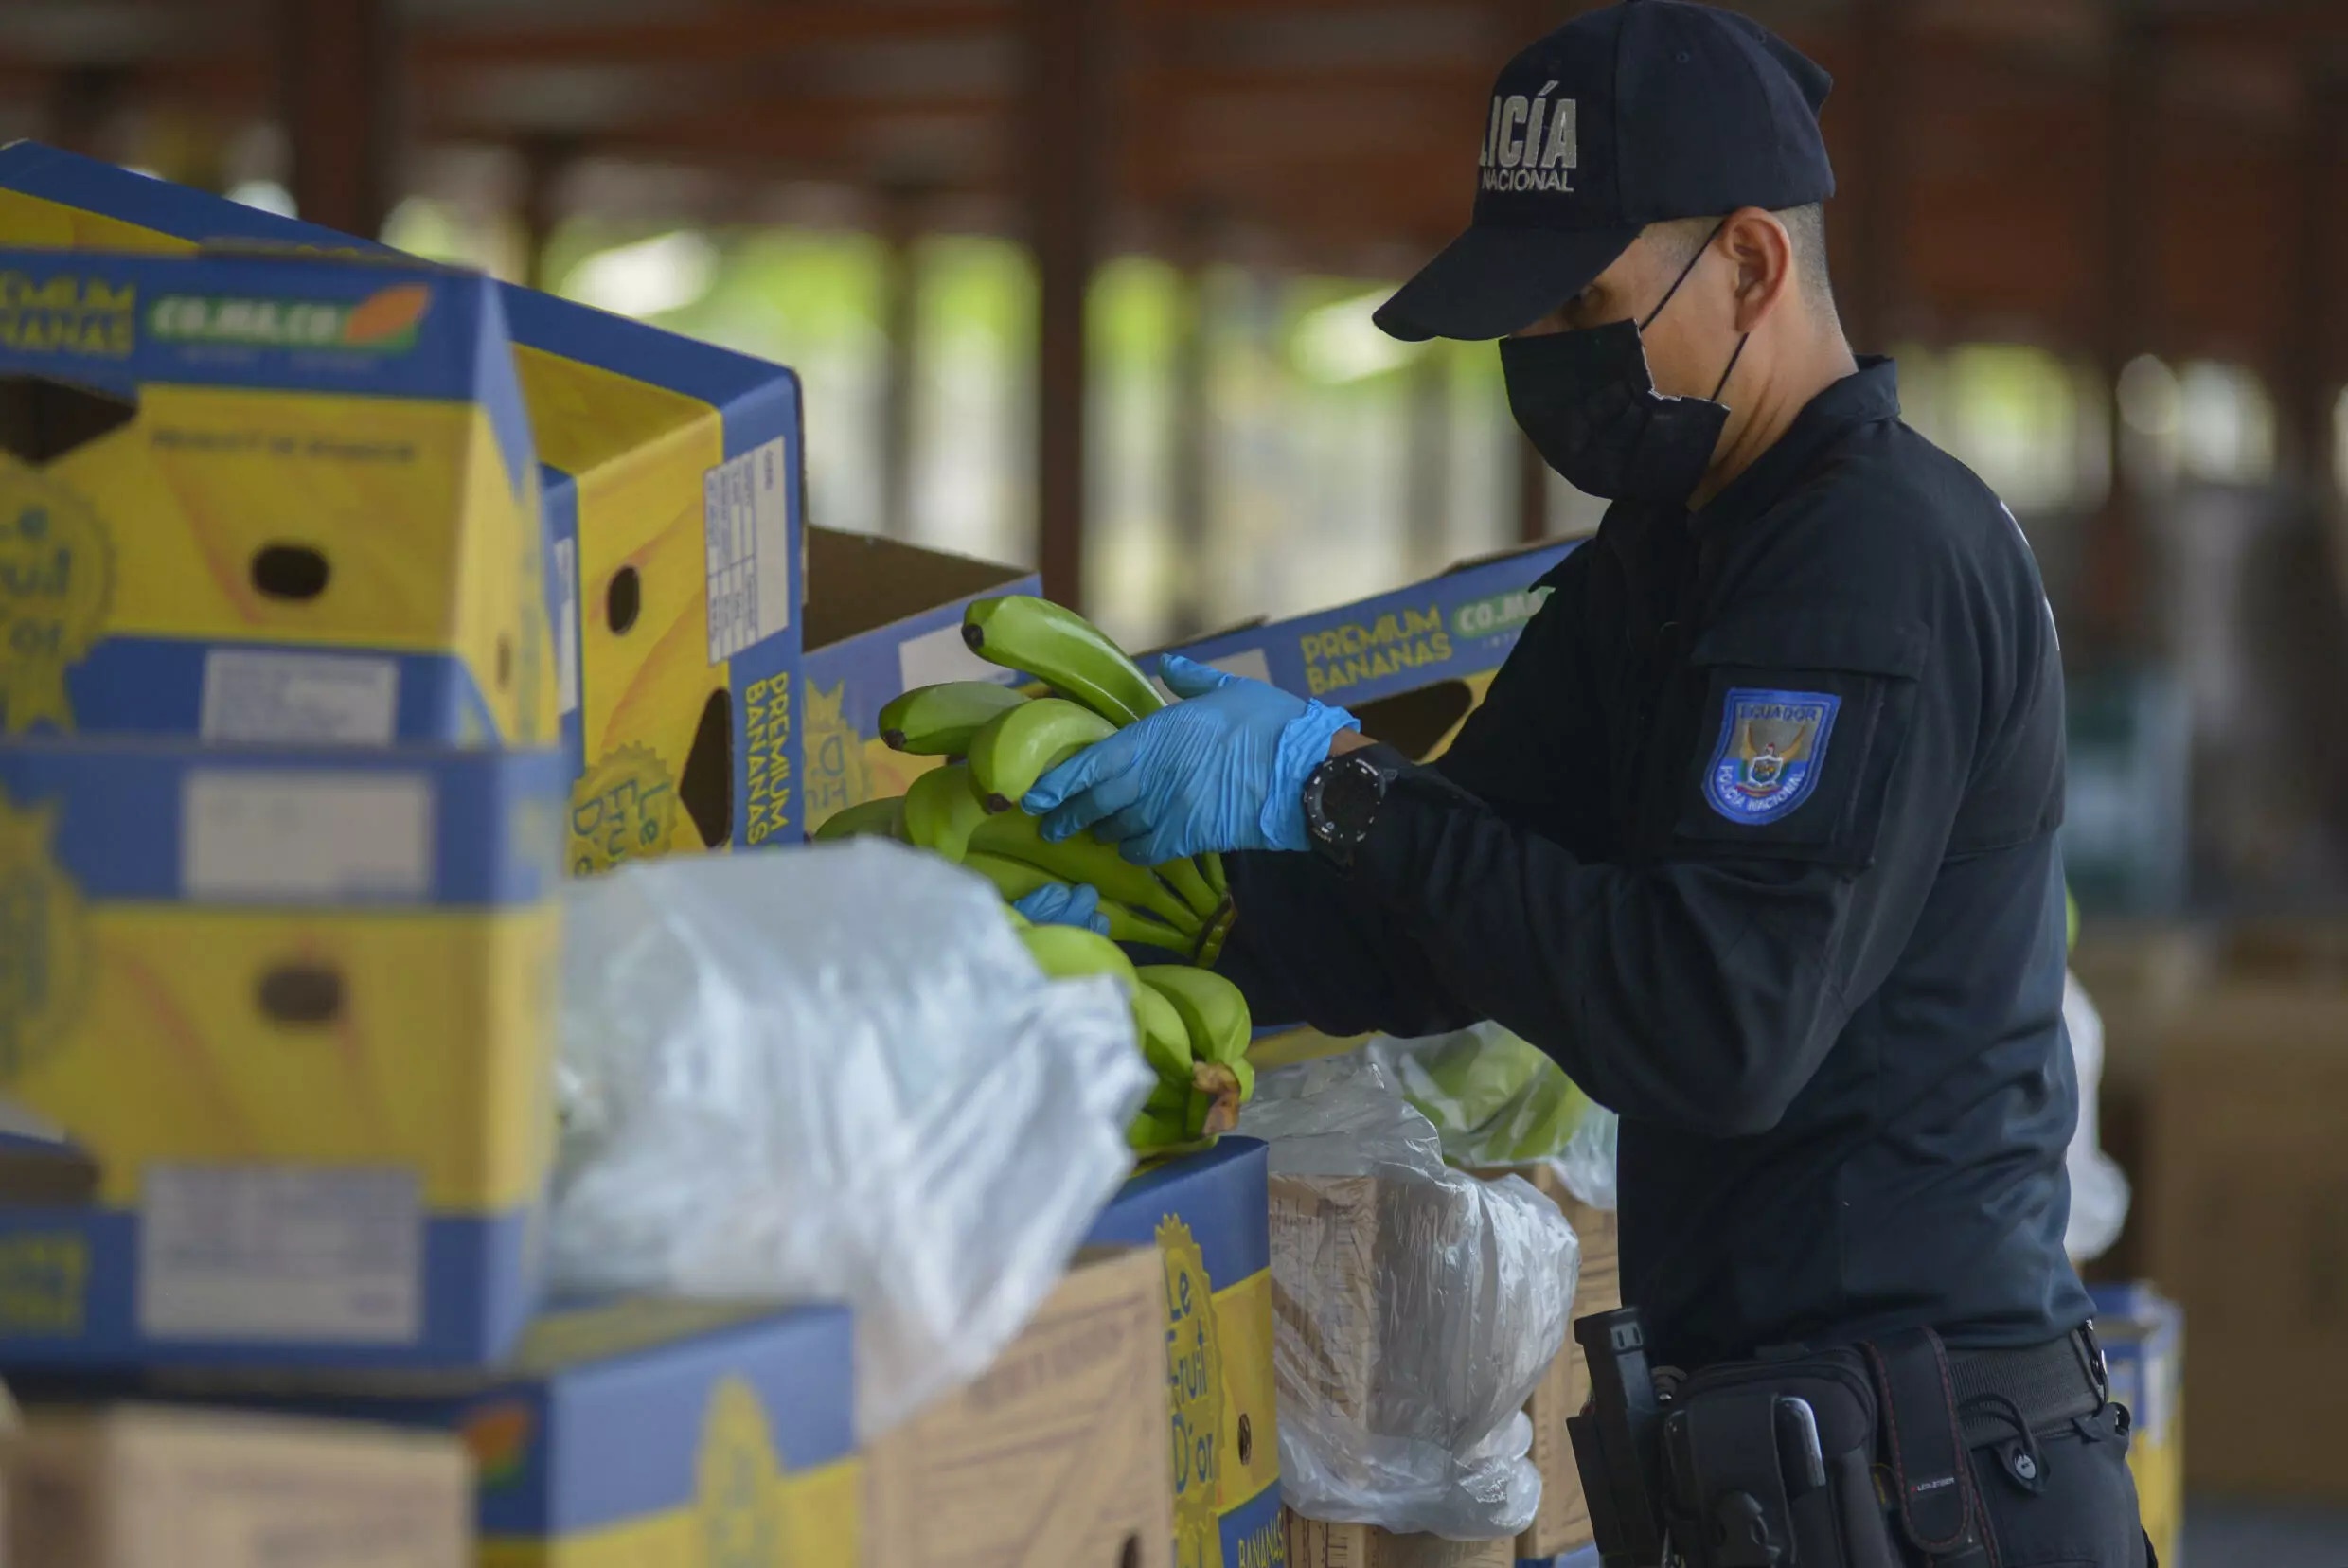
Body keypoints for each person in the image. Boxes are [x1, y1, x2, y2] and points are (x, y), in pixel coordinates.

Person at [1016, 2, 2152, 1563]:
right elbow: (1445, 911)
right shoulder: (1671, 560)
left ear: (1751, 265)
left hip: (1927, 1479)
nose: (1546, 369)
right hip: (1784, 1469)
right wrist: (1159, 927)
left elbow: (1715, 1023)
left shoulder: (1866, 564)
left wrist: (1336, 787)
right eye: (1526, 330)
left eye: (1583, 309)